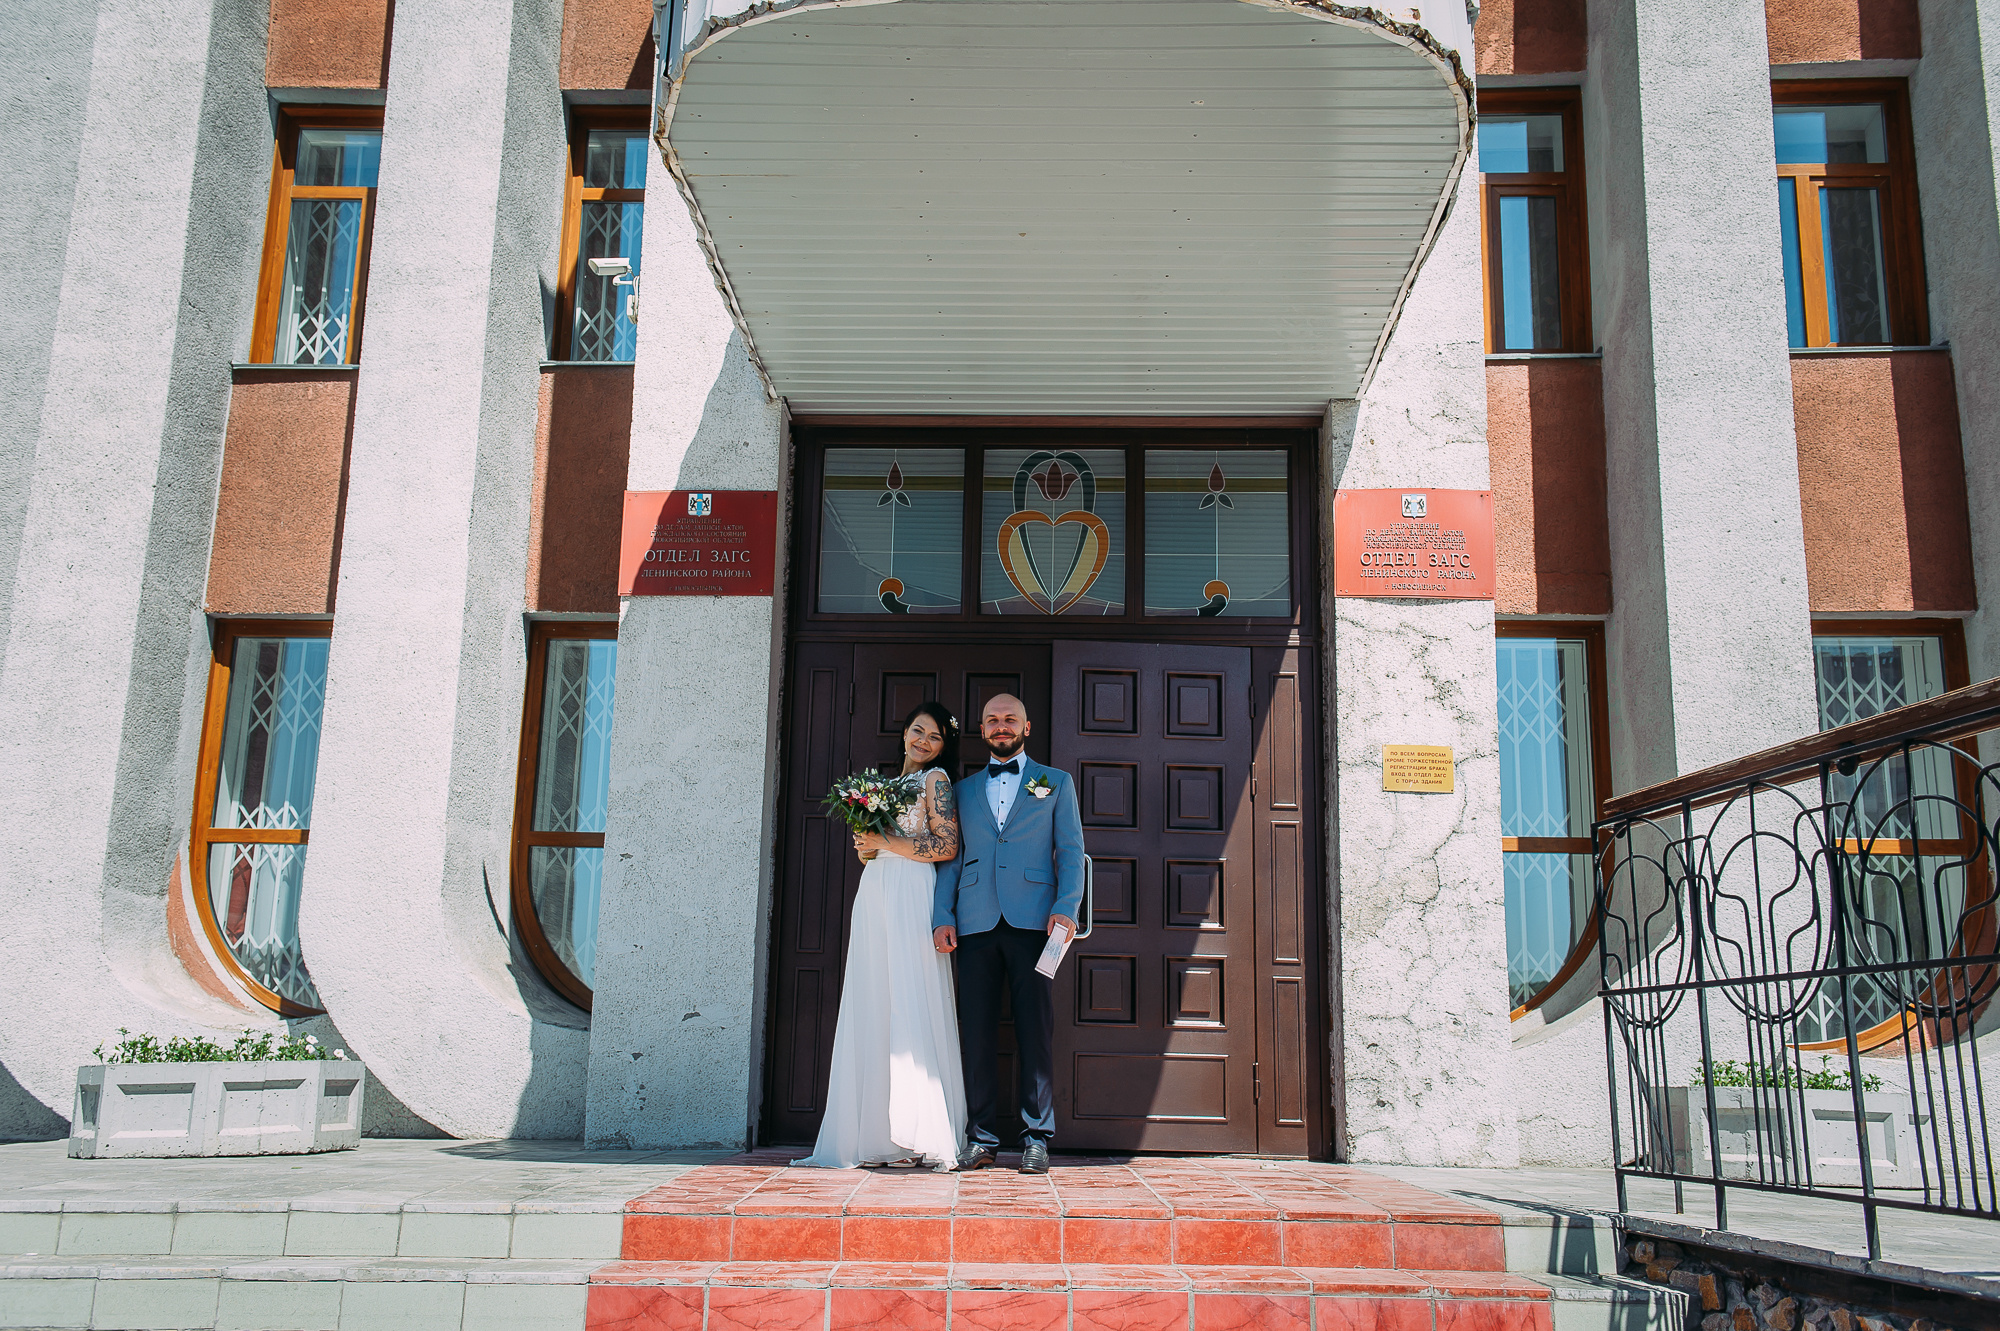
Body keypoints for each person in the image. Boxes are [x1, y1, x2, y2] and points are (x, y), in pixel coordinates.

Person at [797, 702, 968, 1171]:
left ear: (943, 747)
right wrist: (867, 847)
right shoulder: (887, 786)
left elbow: (946, 844)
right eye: (918, 731)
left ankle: (921, 1132)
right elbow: (869, 852)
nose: (924, 742)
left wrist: (884, 843)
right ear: (905, 732)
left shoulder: (936, 781)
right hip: (876, 891)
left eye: (935, 737)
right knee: (874, 997)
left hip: (912, 891)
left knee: (910, 995)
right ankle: (877, 1134)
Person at [931, 693, 1084, 1174]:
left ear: (1026, 727)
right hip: (974, 922)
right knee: (976, 1031)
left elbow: (1071, 850)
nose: (1002, 726)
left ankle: (1036, 1137)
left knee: (1034, 1030)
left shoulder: (1055, 782)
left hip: (1035, 922)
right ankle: (981, 1138)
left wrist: (1066, 908)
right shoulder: (962, 790)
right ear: (982, 730)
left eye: (1010, 719)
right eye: (993, 720)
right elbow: (951, 858)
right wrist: (942, 915)